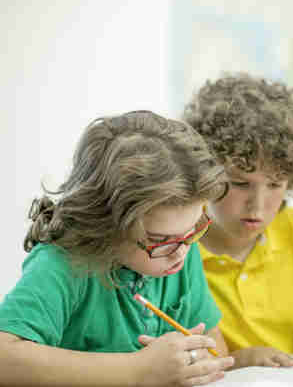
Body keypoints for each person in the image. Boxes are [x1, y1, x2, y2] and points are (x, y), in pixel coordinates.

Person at [0, 111, 235, 387]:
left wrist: (190, 362)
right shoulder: (63, 264)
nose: (181, 251)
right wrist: (137, 370)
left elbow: (215, 344)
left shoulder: (181, 248)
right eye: (161, 239)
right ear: (105, 224)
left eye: (194, 229)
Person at [182, 73, 293, 368]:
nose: (258, 205)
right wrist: (241, 360)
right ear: (202, 172)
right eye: (240, 183)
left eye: (276, 184)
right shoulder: (174, 249)